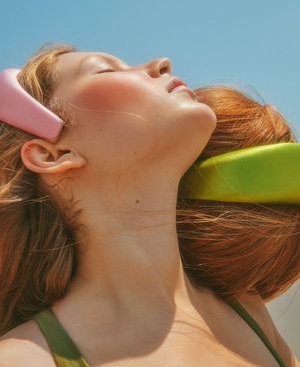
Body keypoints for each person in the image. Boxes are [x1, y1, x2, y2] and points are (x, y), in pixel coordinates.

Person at [0, 44, 298, 367]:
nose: (162, 63)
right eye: (105, 69)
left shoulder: (249, 312)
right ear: (52, 155)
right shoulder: (23, 359)